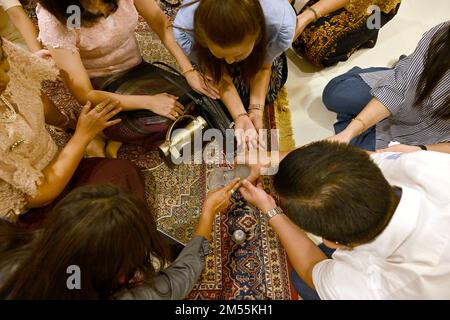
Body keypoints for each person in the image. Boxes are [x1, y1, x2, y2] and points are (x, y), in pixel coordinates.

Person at [239, 141, 450, 299]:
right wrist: (269, 159)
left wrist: (270, 209)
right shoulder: (424, 165)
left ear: (333, 242)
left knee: (301, 282)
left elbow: (312, 271)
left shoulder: (373, 285)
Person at [0, 179, 240, 299]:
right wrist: (208, 212)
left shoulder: (10, 242)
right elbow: (184, 273)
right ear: (118, 272)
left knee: (120, 171)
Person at [36, 0, 219, 157]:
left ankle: (120, 131)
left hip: (136, 67)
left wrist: (189, 71)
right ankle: (106, 133)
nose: (107, 10)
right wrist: (149, 102)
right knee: (164, 121)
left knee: (197, 98)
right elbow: (85, 94)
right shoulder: (58, 19)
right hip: (101, 85)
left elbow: (162, 25)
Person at [0, 37, 145, 225]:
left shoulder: (8, 60)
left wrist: (68, 123)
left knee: (122, 174)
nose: (6, 78)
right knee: (102, 221)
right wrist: (82, 137)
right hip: (36, 205)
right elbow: (39, 194)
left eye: (2, 61)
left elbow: (38, 98)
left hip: (56, 165)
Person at [173, 0, 296, 147]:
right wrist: (240, 115)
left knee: (261, 91)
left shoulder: (279, 24)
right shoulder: (186, 28)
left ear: (257, 35)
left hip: (266, 28)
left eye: (238, 54)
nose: (230, 62)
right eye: (221, 54)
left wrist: (256, 110)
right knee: (217, 97)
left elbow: (263, 67)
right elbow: (215, 71)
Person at [323, 21, 450, 154]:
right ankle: (401, 69)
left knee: (364, 156)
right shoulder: (443, 35)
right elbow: (398, 89)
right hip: (411, 94)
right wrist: (350, 132)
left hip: (431, 137)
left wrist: (420, 150)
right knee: (335, 94)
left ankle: (402, 68)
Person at [292, 0, 401, 67]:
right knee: (293, 26)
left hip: (374, 6)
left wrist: (306, 17)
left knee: (316, 49)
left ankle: (371, 30)